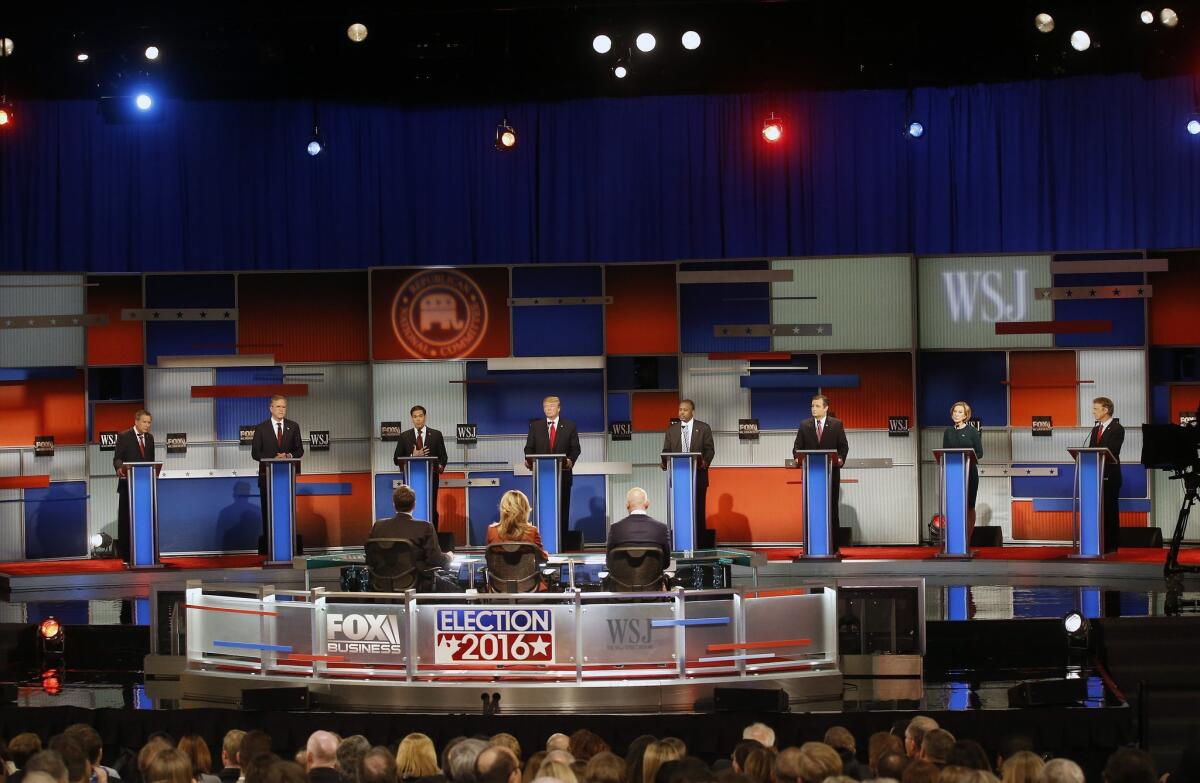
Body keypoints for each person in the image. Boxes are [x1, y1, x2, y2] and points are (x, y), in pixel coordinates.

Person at [792, 395, 850, 552]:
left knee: (832, 509)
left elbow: (843, 447)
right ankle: (810, 547)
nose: (813, 409)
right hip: (811, 475)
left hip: (831, 474)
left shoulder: (836, 425)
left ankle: (834, 547)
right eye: (812, 406)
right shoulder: (804, 425)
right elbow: (796, 448)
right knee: (811, 509)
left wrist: (840, 459)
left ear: (826, 408)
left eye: (817, 406)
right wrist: (797, 458)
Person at [368, 485, 450, 590]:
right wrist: (449, 557)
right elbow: (435, 559)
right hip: (416, 584)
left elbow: (371, 558)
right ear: (414, 505)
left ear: (394, 505)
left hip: (381, 582)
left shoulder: (378, 526)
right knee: (456, 589)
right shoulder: (425, 527)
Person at [523, 396, 581, 546]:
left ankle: (561, 545)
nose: (548, 409)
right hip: (542, 477)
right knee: (542, 512)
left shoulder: (569, 426)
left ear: (559, 408)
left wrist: (570, 461)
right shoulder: (535, 426)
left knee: (562, 513)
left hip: (563, 477)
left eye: (551, 406)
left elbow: (576, 448)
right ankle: (541, 544)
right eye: (545, 407)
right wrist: (528, 459)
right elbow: (528, 448)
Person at [251, 395, 304, 554]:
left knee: (286, 513)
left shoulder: (293, 426)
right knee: (268, 514)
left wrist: (287, 456)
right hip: (267, 478)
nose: (282, 410)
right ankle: (270, 550)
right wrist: (272, 458)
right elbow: (255, 453)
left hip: (286, 478)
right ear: (271, 408)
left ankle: (288, 547)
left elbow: (299, 450)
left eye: (284, 407)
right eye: (279, 407)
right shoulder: (261, 428)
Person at [661, 399, 716, 546]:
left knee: (698, 511)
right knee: (680, 512)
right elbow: (666, 450)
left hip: (698, 476)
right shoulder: (671, 430)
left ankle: (699, 544)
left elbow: (710, 449)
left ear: (692, 412)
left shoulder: (703, 428)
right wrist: (665, 461)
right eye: (680, 409)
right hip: (679, 478)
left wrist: (705, 461)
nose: (681, 412)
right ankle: (680, 544)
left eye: (685, 410)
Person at [393, 405, 449, 530]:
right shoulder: (404, 436)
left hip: (431, 480)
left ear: (425, 417)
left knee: (431, 507)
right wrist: (413, 455)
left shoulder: (436, 435)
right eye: (415, 417)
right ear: (411, 419)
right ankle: (410, 534)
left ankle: (433, 537)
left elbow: (443, 457)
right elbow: (396, 459)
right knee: (409, 509)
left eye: (420, 416)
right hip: (410, 481)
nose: (418, 419)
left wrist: (440, 466)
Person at [113, 409, 155, 563]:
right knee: (126, 521)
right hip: (128, 486)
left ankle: (145, 553)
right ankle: (126, 556)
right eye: (144, 422)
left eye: (149, 422)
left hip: (145, 488)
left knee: (145, 521)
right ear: (136, 421)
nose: (147, 425)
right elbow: (117, 458)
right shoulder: (124, 436)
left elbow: (151, 462)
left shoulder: (150, 439)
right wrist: (119, 469)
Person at [942, 401, 983, 547]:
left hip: (969, 472)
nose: (956, 414)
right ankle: (954, 540)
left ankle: (967, 540)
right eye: (955, 411)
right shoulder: (948, 432)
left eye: (960, 412)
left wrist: (967, 457)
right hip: (953, 473)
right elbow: (944, 452)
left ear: (966, 415)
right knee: (954, 506)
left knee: (969, 506)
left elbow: (979, 453)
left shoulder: (972, 431)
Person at [1089, 396, 1125, 554]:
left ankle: (1111, 546)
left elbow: (1112, 452)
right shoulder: (1095, 429)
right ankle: (1098, 544)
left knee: (1110, 510)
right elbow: (1090, 451)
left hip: (1110, 475)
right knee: (1098, 511)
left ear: (1106, 410)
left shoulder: (1117, 428)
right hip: (1095, 476)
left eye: (1096, 409)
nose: (1093, 412)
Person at [607, 488, 671, 563]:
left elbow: (609, 563)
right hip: (652, 574)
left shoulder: (615, 528)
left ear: (627, 505)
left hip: (623, 575)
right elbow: (666, 563)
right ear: (647, 504)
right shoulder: (661, 528)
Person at [486, 490, 548, 561]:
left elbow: (488, 557)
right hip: (527, 572)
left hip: (497, 572)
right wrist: (545, 554)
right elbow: (542, 558)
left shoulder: (492, 530)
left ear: (503, 509)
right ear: (525, 510)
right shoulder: (532, 531)